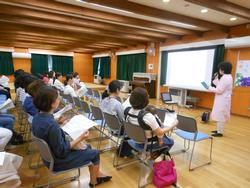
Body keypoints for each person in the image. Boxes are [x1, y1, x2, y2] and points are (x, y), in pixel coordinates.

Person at [32, 86, 112, 186]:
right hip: (58, 162)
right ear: (52, 103)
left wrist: (57, 122)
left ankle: (98, 175)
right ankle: (93, 182)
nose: (60, 99)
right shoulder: (52, 125)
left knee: (88, 148)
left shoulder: (37, 117)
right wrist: (80, 138)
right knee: (95, 153)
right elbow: (62, 152)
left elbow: (48, 132)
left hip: (48, 158)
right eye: (58, 97)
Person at [125, 87, 177, 153]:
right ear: (146, 100)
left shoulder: (128, 110)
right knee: (171, 141)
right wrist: (173, 125)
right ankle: (156, 157)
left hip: (134, 140)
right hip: (147, 144)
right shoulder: (146, 116)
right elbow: (160, 132)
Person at [209, 61, 233, 137]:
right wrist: (215, 79)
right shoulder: (227, 77)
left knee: (221, 115)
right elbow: (220, 86)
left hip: (222, 100)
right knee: (219, 115)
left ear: (223, 69)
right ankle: (219, 130)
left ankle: (220, 132)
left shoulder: (225, 78)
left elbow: (219, 90)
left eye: (220, 69)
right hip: (222, 99)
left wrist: (209, 88)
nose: (219, 70)